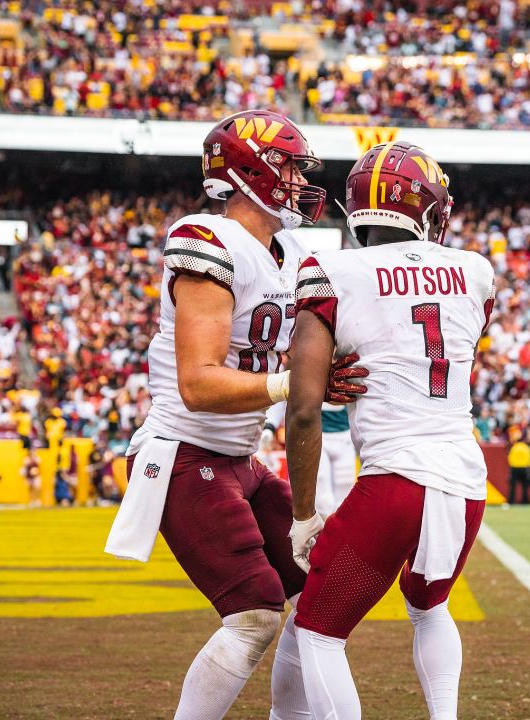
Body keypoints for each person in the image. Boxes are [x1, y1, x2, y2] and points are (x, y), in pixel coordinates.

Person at [103, 109, 366, 720]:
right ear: (253, 170)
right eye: (292, 166)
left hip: (239, 459)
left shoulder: (296, 249)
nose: (302, 179)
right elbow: (197, 382)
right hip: (184, 451)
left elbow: (309, 354)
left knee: (318, 593)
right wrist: (294, 382)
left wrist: (329, 373)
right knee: (253, 612)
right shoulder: (207, 239)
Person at [285, 141, 491, 720]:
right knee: (430, 607)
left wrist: (304, 515)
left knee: (318, 631)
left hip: (395, 480)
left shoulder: (331, 269)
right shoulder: (476, 271)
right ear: (428, 208)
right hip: (464, 477)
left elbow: (303, 408)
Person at [507, 431, 530, 504]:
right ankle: (525, 501)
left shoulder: (514, 447)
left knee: (513, 487)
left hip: (515, 468)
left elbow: (510, 458)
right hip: (524, 468)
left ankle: (511, 501)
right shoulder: (526, 447)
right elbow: (529, 458)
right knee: (525, 487)